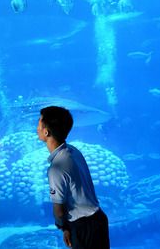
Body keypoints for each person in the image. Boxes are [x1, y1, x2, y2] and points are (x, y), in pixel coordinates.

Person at [36, 106, 110, 249]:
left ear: (47, 132)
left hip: (83, 226)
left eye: (39, 122)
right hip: (98, 218)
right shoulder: (73, 151)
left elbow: (58, 208)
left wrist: (64, 228)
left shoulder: (56, 168)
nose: (37, 127)